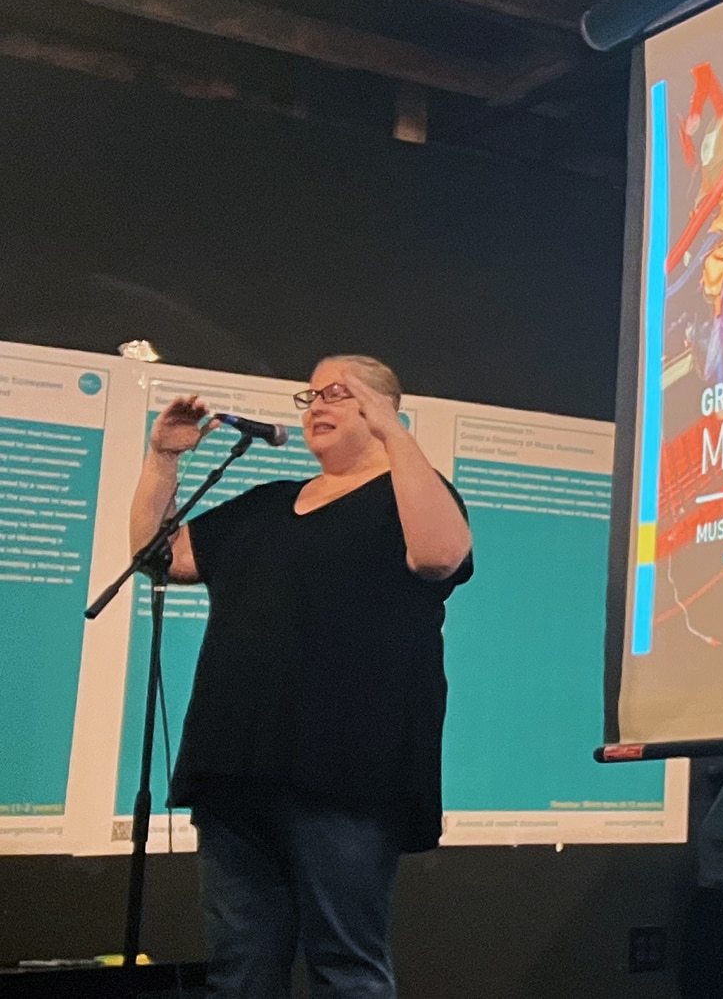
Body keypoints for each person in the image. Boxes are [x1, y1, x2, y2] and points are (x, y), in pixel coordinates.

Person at [130, 356, 473, 999]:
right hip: (236, 766)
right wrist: (163, 459)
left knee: (344, 966)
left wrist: (397, 436)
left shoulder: (410, 490)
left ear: (382, 407)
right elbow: (157, 557)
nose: (317, 404)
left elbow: (438, 557)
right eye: (311, 394)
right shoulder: (267, 504)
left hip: (348, 770)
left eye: (339, 393)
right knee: (239, 969)